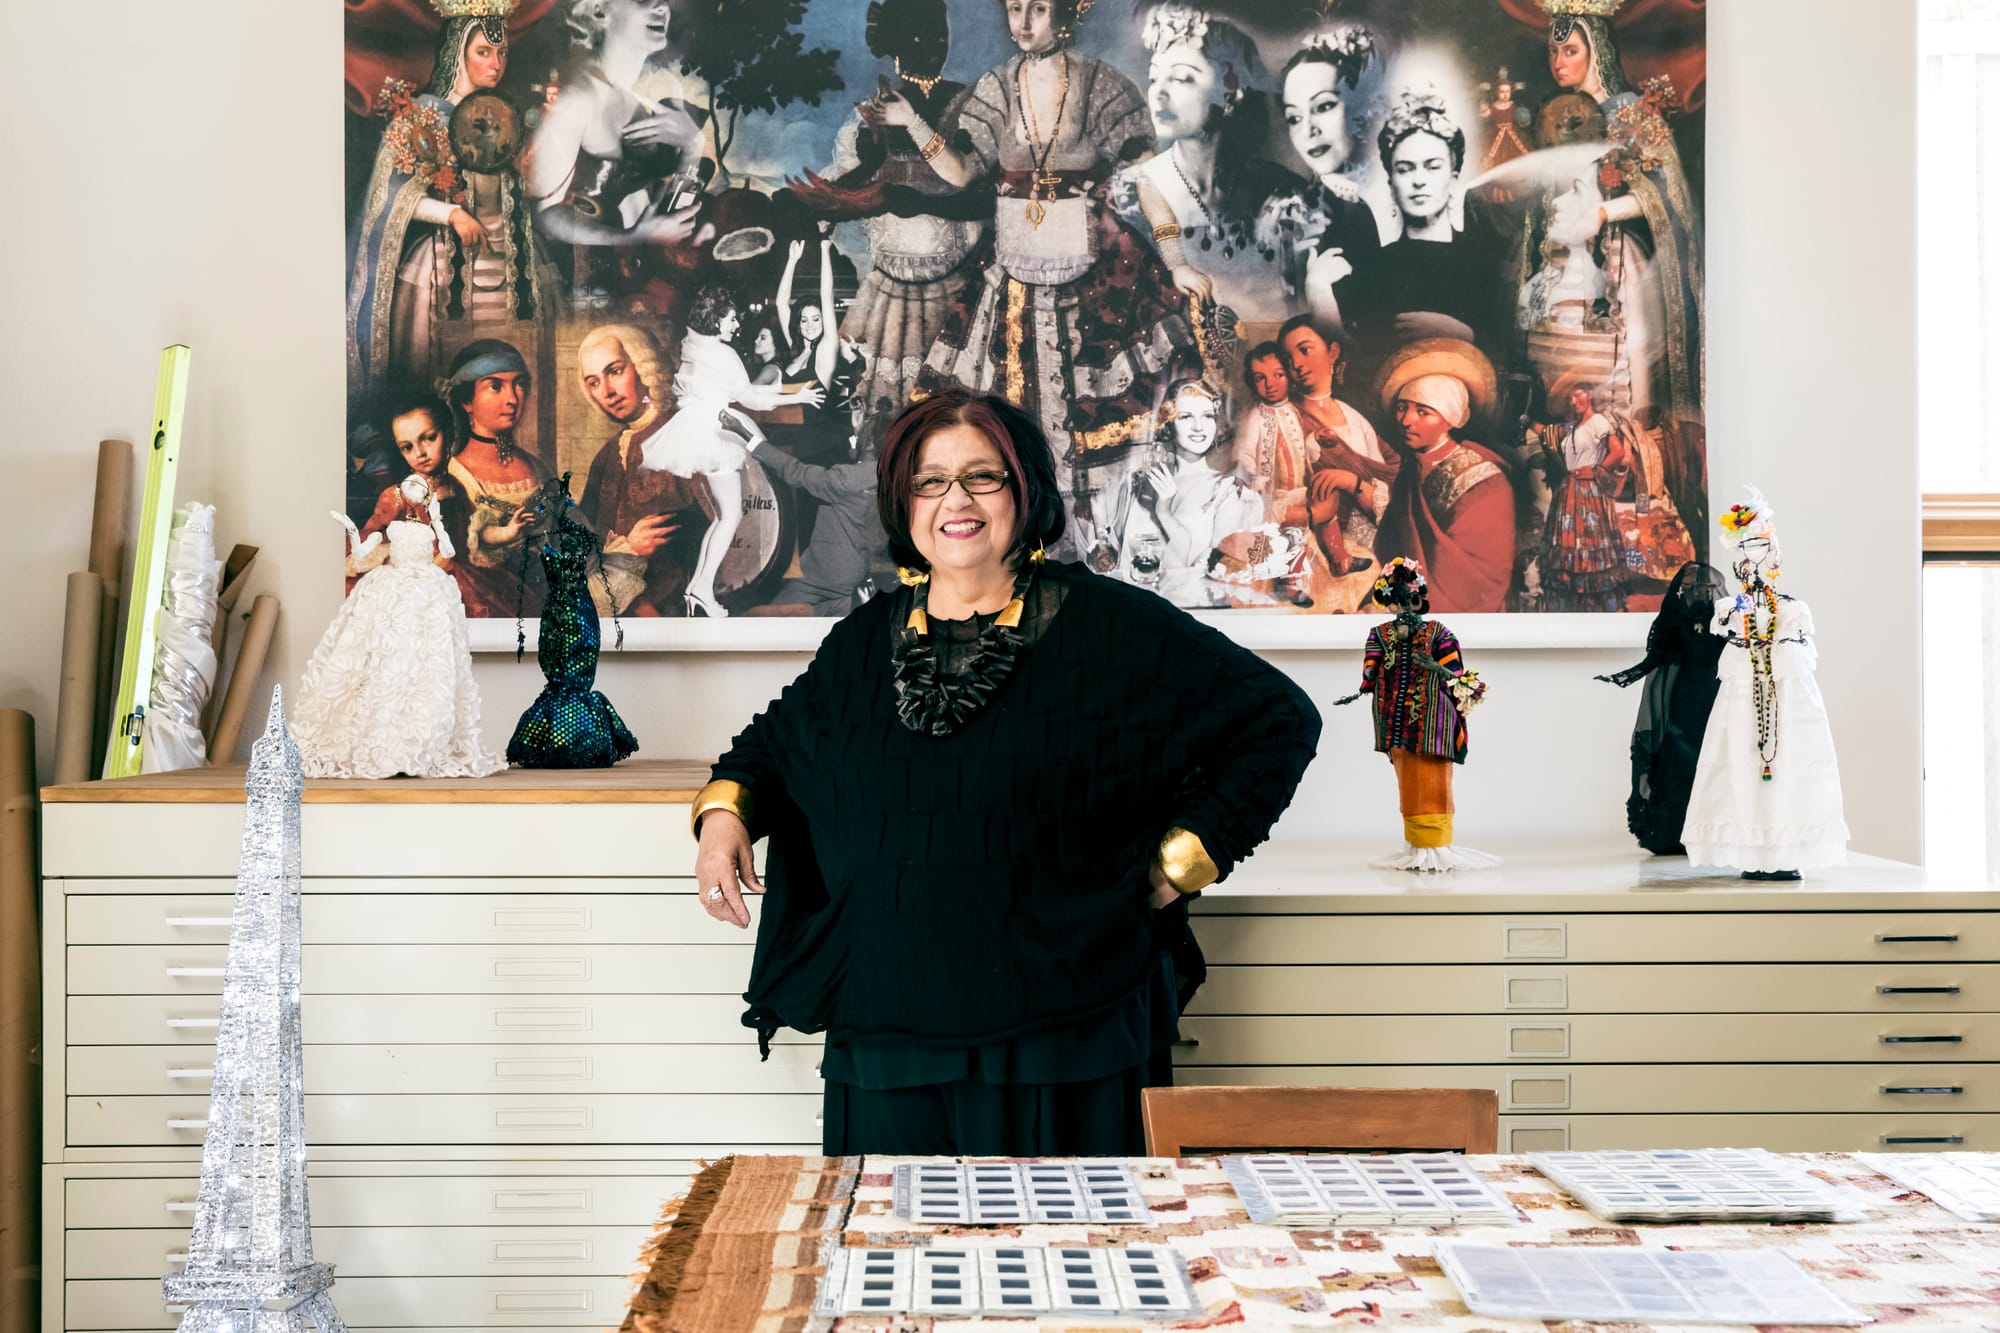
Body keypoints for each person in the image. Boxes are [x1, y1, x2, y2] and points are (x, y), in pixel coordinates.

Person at [689, 388, 1319, 1156]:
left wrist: (1182, 860)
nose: (955, 499)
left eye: (982, 476)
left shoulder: (1116, 628)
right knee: (894, 1238)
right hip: (887, 1034)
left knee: (1076, 1238)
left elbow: (1277, 718)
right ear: (903, 503)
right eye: (929, 481)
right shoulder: (861, 643)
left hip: (1069, 1035)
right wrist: (723, 817)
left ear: (1025, 489)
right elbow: (776, 743)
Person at [883, 0, 1204, 566]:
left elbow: (1147, 181)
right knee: (1007, 413)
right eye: (1014, 8)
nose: (1023, 22)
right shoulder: (995, 88)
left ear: (1066, 13)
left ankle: (1100, 544)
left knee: (1100, 414)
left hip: (1098, 272)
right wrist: (911, 120)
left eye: (1037, 8)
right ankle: (1018, 545)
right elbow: (963, 171)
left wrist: (1176, 259)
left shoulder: (1104, 86)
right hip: (1013, 268)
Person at [347, 2, 547, 396]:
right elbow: (388, 197)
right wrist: (452, 214)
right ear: (458, 51)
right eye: (484, 52)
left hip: (510, 262)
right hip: (441, 268)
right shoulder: (423, 117)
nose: (495, 64)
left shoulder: (510, 118)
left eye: (502, 53)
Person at [818, 0, 987, 439]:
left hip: (963, 292)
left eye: (939, 34)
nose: (932, 45)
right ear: (894, 46)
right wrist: (828, 201)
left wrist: (923, 203)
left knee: (959, 416)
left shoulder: (972, 105)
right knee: (896, 419)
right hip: (894, 296)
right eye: (917, 36)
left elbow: (987, 196)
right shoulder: (870, 115)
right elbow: (855, 185)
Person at [1682, 492, 1847, 878]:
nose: (1755, 552)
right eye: (1747, 545)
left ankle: (1785, 851)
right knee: (1743, 761)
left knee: (1790, 763)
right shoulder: (1730, 610)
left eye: (1761, 543)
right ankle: (1754, 852)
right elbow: (1726, 627)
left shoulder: (1793, 611)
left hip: (1786, 699)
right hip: (1745, 695)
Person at [298, 474, 505, 780]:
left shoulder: (430, 524)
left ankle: (418, 743)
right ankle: (385, 742)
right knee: (389, 659)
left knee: (424, 661)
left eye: (419, 486)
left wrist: (437, 520)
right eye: (410, 485)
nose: (414, 489)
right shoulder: (392, 526)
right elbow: (360, 554)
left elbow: (448, 552)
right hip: (394, 587)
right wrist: (352, 531)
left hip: (425, 588)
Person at [637, 285, 824, 617]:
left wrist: (783, 390)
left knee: (724, 516)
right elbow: (750, 399)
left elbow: (739, 390)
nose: (736, 326)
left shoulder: (695, 346)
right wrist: (798, 397)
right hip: (716, 434)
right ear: (717, 318)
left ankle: (697, 589)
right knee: (732, 515)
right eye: (732, 319)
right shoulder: (724, 354)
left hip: (701, 428)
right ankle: (703, 590)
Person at [1120, 5, 1305, 323]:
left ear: (1230, 94)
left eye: (1181, 78)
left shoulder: (1281, 189)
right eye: (1154, 78)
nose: (1158, 92)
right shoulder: (1137, 188)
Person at [526, 0, 712, 307]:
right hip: (584, 294)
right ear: (600, 9)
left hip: (639, 284)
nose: (661, 7)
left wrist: (694, 145)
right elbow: (543, 216)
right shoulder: (576, 102)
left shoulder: (635, 101)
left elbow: (667, 215)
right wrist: (632, 237)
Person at [1318, 90, 1508, 362]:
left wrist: (1461, 334)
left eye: (1433, 167)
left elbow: (1508, 355)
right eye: (1405, 169)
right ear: (1391, 183)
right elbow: (1352, 359)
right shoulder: (1374, 266)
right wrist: (1318, 289)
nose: (1419, 181)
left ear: (1454, 178)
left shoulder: (1485, 260)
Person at [1332, 556, 1495, 871]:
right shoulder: (1379, 634)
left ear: (1419, 599)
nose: (1404, 608)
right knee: (1407, 779)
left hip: (1433, 721)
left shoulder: (1439, 633)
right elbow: (1371, 669)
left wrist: (1435, 667)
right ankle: (1417, 845)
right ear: (1389, 603)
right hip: (1394, 719)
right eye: (1397, 601)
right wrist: (1364, 685)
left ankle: (1436, 846)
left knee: (1435, 777)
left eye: (1411, 599)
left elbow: (1456, 673)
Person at [574, 324, 711, 615]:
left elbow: (710, 534)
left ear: (642, 366)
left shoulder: (684, 435)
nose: (607, 391)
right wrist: (626, 548)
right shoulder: (607, 455)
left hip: (676, 606)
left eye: (615, 371)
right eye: (593, 382)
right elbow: (583, 542)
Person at [1372, 338, 1517, 613]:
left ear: (1449, 419)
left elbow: (1478, 581)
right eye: (1402, 407)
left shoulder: (1487, 484)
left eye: (1422, 412)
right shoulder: (1410, 469)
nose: (1406, 420)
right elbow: (1392, 544)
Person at [507, 473, 640, 768]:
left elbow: (596, 566)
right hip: (556, 610)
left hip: (582, 608)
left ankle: (580, 740)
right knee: (557, 663)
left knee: (580, 660)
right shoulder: (539, 534)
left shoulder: (581, 534)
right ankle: (564, 741)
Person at [1597, 561, 1729, 855]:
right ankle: (1673, 832)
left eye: (1704, 588)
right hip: (1684, 698)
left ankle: (1713, 832)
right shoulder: (1673, 619)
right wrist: (1624, 677)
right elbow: (1655, 658)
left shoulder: (1725, 623)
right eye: (1689, 587)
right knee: (1681, 759)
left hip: (1716, 697)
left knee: (1711, 759)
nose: (1698, 593)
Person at [1256, 30, 1387, 318]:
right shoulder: (1294, 218)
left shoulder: (1416, 186)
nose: (1308, 131)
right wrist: (1317, 290)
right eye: (1294, 118)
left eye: (1324, 106)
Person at [1118, 378, 1263, 608]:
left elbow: (1212, 578)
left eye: (1207, 416)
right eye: (1186, 417)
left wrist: (1164, 513)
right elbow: (1122, 564)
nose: (1198, 427)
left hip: (1193, 614)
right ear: (1168, 423)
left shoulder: (1228, 491)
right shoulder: (1137, 483)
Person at [729, 411, 889, 616]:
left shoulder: (847, 480)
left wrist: (747, 437)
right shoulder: (888, 478)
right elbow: (857, 461)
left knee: (766, 620)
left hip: (824, 574)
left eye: (863, 434)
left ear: (870, 443)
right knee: (825, 622)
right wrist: (858, 433)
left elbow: (796, 471)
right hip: (855, 573)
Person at [443, 338, 554, 617]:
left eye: (520, 385)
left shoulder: (538, 468)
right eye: (495, 386)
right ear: (467, 401)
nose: (513, 399)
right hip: (489, 603)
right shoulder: (452, 476)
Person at [1279, 317, 1393, 572]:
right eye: (1288, 359)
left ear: (1333, 352)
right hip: (1312, 534)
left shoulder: (1354, 418)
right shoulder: (1285, 418)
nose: (1297, 364)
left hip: (1372, 533)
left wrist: (1350, 480)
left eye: (1305, 350)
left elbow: (1383, 485)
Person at [348, 390, 475, 604]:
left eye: (429, 438)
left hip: (456, 577)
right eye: (407, 447)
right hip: (415, 584)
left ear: (449, 433)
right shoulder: (398, 496)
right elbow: (370, 538)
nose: (419, 453)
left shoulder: (456, 487)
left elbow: (467, 537)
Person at [1538, 378, 1630, 611]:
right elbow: (1546, 434)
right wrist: (1528, 421)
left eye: (1578, 395)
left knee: (1590, 541)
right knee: (1566, 543)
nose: (1573, 401)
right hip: (1567, 491)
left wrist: (1597, 470)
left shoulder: (1598, 422)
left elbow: (1617, 451)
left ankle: (1600, 602)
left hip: (1588, 492)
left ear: (1589, 395)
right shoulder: (1571, 428)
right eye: (1570, 397)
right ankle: (1573, 602)